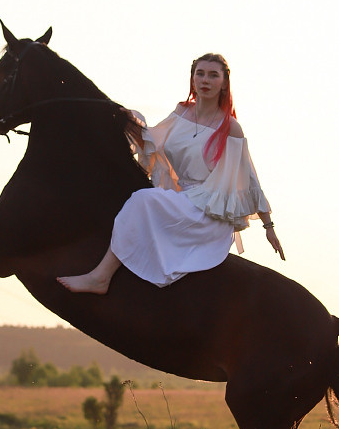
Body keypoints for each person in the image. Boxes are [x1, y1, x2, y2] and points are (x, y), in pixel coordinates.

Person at [58, 53, 285, 294]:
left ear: (224, 83)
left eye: (213, 75)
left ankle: (100, 277)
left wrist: (268, 226)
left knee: (141, 200)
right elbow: (152, 142)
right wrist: (124, 120)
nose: (205, 80)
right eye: (200, 73)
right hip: (182, 197)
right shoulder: (182, 113)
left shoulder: (230, 128)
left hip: (207, 212)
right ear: (192, 79)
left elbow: (249, 179)